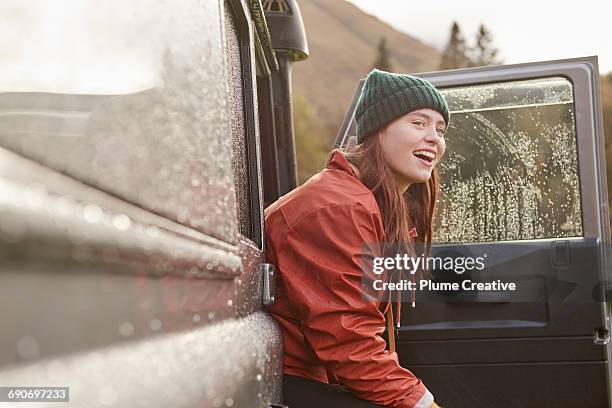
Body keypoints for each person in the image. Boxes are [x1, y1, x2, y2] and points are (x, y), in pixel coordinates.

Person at [264, 69, 450, 408]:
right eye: (419, 123)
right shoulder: (339, 208)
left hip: (317, 373)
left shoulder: (372, 206)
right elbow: (349, 343)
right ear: (377, 130)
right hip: (289, 381)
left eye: (440, 129)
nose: (435, 138)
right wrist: (423, 403)